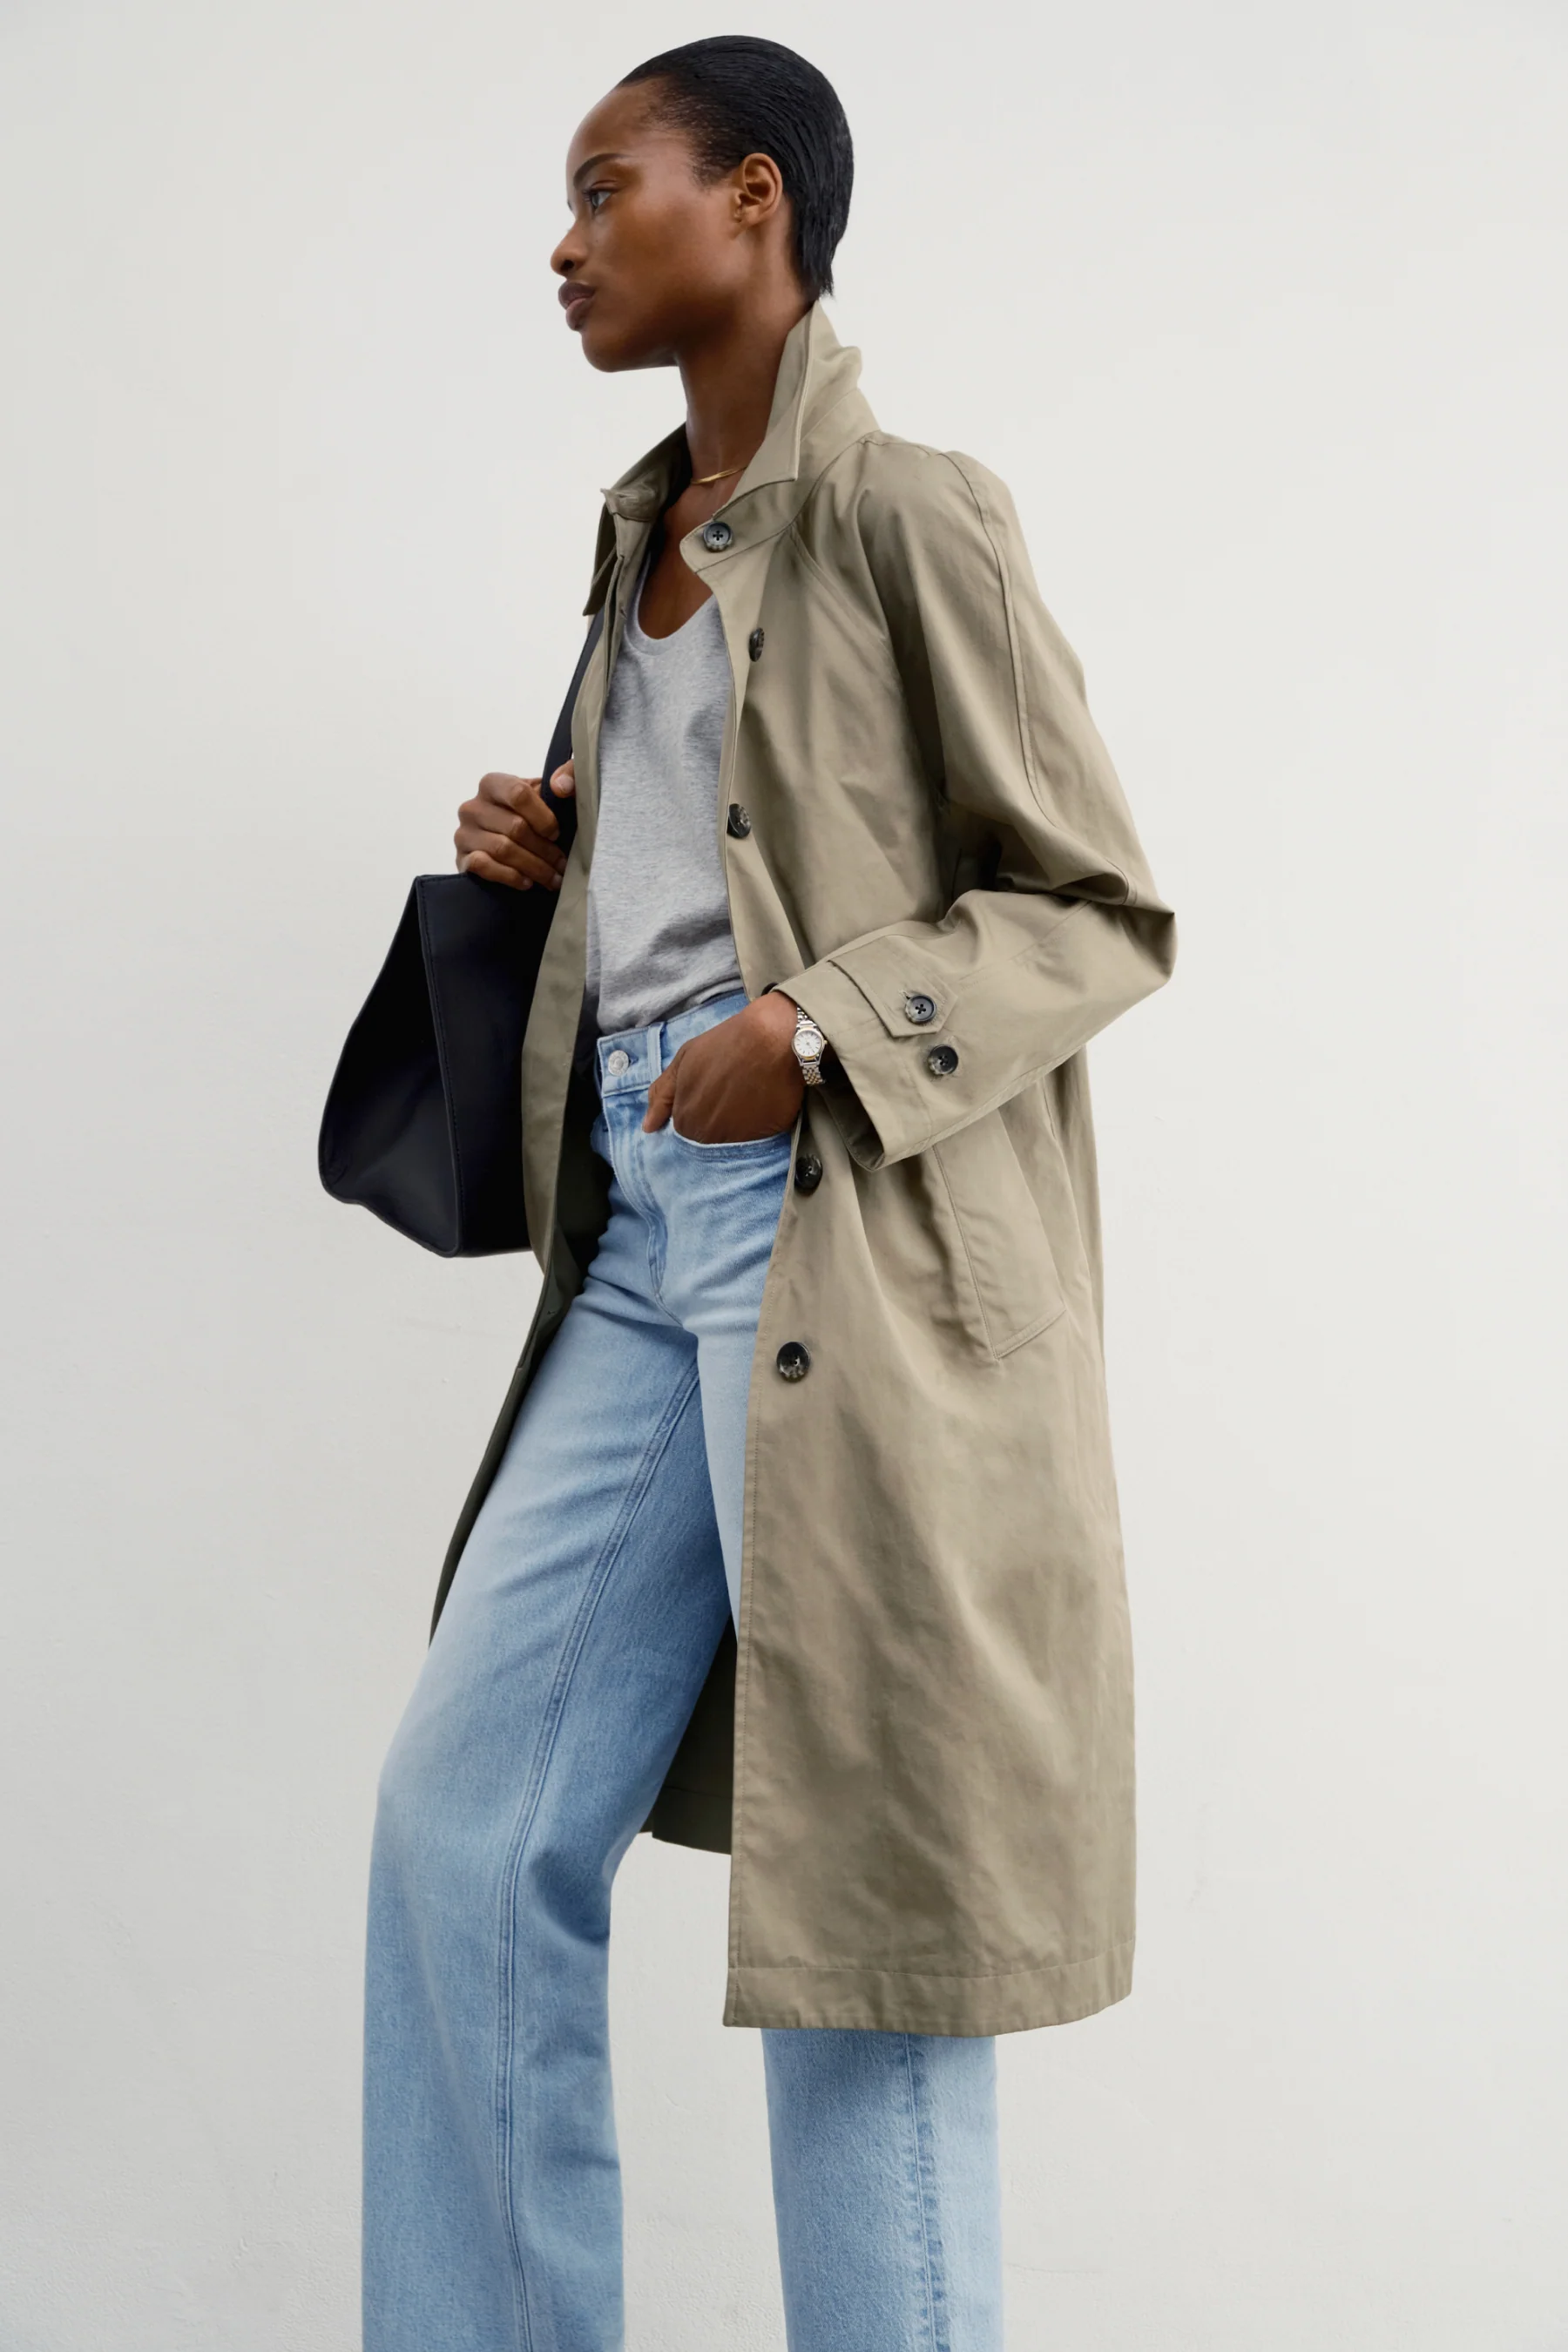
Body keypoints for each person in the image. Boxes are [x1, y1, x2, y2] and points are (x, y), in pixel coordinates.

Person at [362, 35, 1174, 2352]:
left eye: (602, 187)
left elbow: (1094, 909)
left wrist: (815, 1022)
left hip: (844, 1241)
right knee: (463, 1827)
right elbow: (699, 878)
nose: (564, 241)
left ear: (751, 198)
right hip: (636, 1243)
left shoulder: (913, 511)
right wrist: (545, 858)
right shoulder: (641, 543)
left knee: (866, 1915)